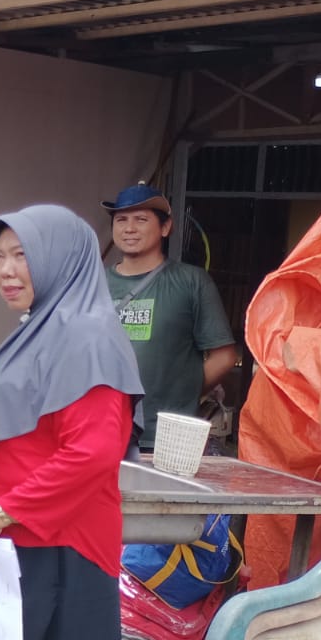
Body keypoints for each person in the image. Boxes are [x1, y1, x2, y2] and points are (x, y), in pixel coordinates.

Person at [0, 205, 144, 640]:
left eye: (22, 256)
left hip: (61, 552)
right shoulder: (45, 324)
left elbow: (91, 453)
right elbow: (41, 414)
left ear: (61, 259)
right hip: (24, 547)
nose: (5, 271)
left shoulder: (88, 335)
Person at [102, 182, 237, 450]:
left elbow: (225, 356)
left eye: (141, 219)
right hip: (103, 433)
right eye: (121, 220)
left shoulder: (192, 281)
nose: (129, 228)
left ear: (165, 227)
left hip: (168, 437)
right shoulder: (94, 284)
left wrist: (183, 393)